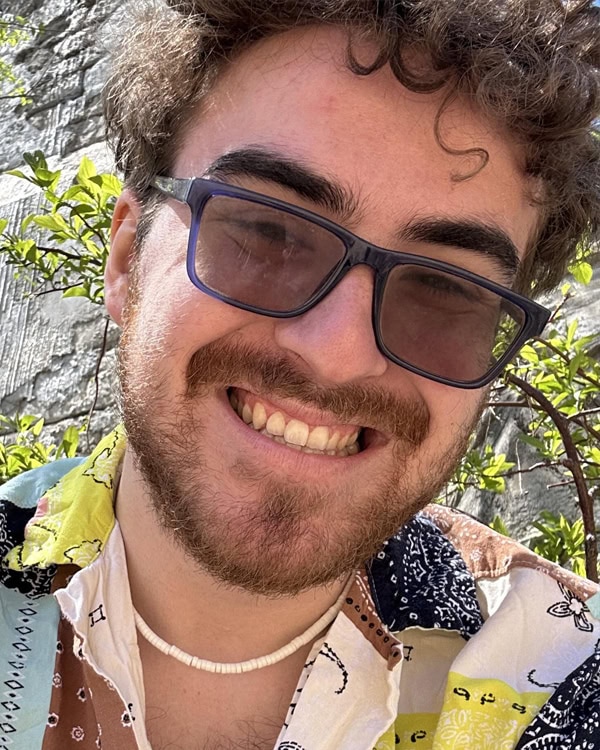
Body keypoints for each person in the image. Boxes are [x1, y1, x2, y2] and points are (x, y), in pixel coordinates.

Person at [1, 0, 600, 747]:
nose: (337, 352)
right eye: (267, 230)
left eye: (443, 288)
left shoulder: (563, 669)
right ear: (126, 261)